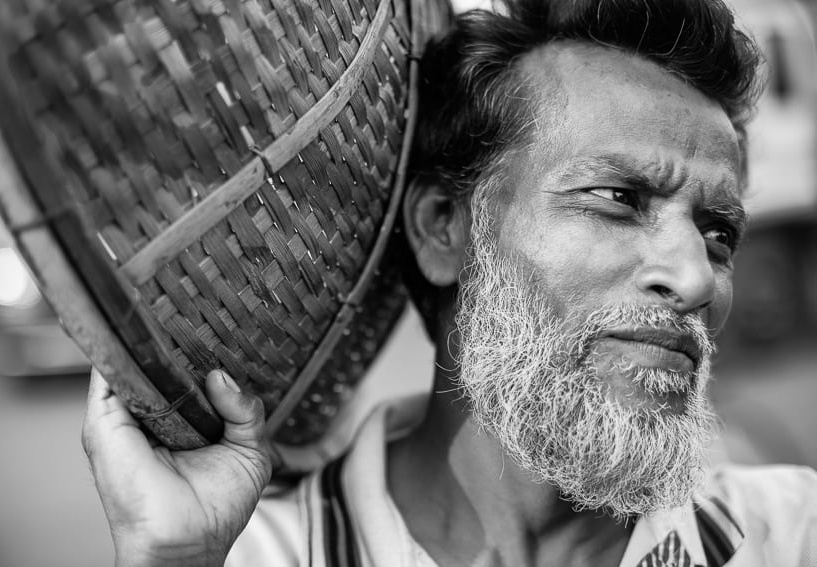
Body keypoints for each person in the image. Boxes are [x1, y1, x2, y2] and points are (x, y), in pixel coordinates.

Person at [83, 0, 817, 565]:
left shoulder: (791, 533)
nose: (695, 278)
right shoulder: (255, 551)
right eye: (618, 199)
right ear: (444, 227)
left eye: (719, 232)